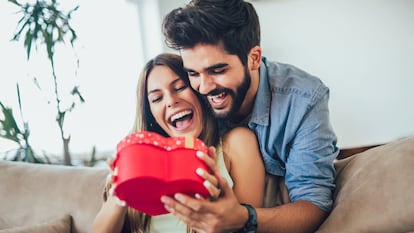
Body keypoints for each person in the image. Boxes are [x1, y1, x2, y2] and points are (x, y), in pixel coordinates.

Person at [160, 0, 339, 232]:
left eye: (218, 70)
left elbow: (313, 204)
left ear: (253, 58)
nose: (203, 87)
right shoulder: (189, 95)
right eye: (193, 73)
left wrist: (243, 218)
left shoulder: (304, 99)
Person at [92, 53, 265, 233]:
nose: (170, 101)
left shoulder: (237, 143)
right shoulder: (141, 162)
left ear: (199, 91)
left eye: (180, 87)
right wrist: (120, 192)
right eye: (157, 98)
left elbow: (251, 225)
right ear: (151, 115)